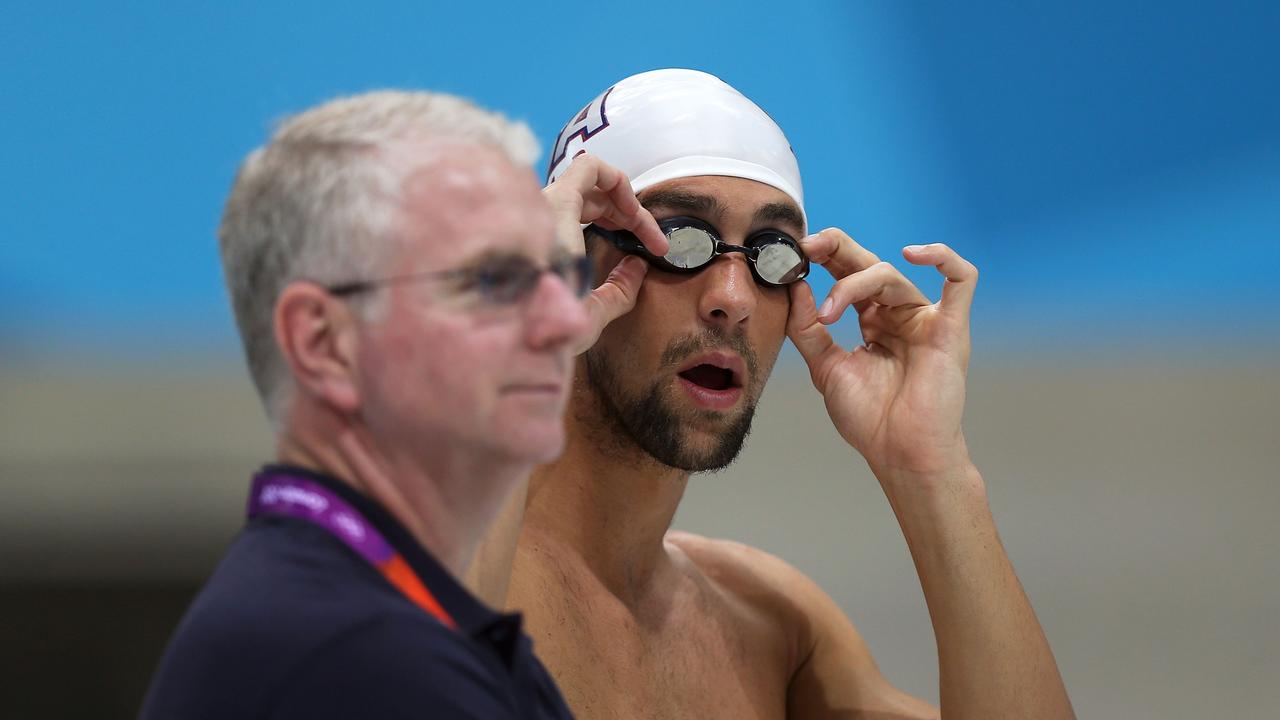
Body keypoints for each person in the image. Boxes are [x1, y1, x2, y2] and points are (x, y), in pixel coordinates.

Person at [501, 69, 1075, 718]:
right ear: (571, 263)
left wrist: (931, 471)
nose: (733, 300)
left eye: (771, 254)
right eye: (681, 240)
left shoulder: (772, 633)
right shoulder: (420, 562)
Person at [139, 90, 667, 719]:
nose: (559, 321)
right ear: (324, 342)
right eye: (494, 280)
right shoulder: (350, 659)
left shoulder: (359, 615)